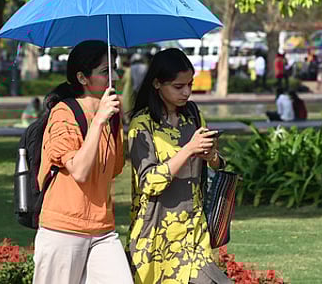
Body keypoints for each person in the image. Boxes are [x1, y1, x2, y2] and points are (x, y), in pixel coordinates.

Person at [126, 48, 231, 284]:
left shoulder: (192, 115)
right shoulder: (142, 125)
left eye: (189, 84)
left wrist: (210, 155)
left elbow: (217, 164)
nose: (186, 92)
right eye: (178, 86)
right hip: (155, 234)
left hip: (193, 230)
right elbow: (149, 183)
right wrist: (188, 150)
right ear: (156, 84)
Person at [32, 40, 133, 284]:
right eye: (105, 71)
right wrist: (98, 122)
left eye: (115, 68)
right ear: (82, 77)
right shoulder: (63, 113)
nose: (115, 76)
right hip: (62, 229)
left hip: (102, 228)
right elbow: (79, 171)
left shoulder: (112, 116)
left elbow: (113, 168)